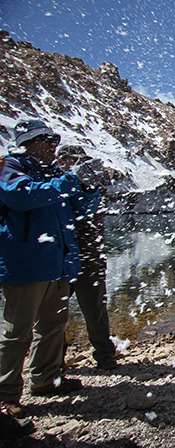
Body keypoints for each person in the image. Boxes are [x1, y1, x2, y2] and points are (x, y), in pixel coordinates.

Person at [0, 120, 99, 417]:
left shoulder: (54, 175)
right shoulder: (9, 168)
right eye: (45, 139)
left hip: (57, 264)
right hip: (25, 265)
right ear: (27, 142)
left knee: (52, 326)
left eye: (54, 138)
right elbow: (24, 197)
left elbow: (80, 211)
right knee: (18, 331)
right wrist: (71, 180)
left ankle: (45, 379)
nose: (52, 144)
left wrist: (89, 188)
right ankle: (5, 395)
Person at [56, 145, 118, 370]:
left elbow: (93, 212)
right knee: (55, 314)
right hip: (63, 258)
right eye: (74, 160)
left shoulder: (91, 184)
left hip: (88, 257)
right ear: (62, 160)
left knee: (95, 311)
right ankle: (55, 360)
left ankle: (104, 355)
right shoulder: (56, 183)